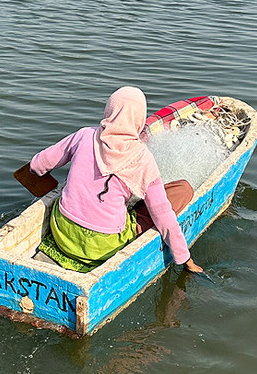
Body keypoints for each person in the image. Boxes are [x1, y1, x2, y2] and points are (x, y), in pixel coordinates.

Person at [27, 86, 203, 273]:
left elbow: (37, 165)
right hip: (104, 246)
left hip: (61, 231)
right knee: (182, 190)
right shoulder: (142, 158)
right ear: (140, 120)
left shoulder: (84, 136)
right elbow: (163, 216)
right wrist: (186, 259)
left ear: (109, 111)